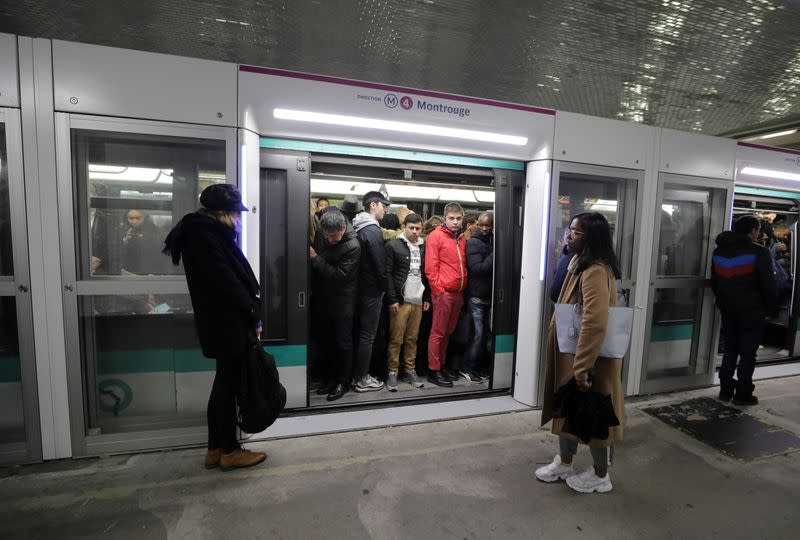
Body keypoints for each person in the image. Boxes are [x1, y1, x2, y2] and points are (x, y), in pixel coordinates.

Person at [162, 184, 266, 471]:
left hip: (220, 323)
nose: (239, 220)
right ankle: (230, 451)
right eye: (235, 214)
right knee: (227, 388)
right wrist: (253, 315)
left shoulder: (202, 233)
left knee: (223, 385)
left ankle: (215, 448)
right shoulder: (206, 237)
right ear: (221, 213)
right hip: (227, 324)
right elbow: (229, 284)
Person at [536, 212, 625, 494]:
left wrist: (583, 367)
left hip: (588, 360)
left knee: (595, 417)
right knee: (568, 411)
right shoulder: (578, 262)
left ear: (591, 237)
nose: (568, 235)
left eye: (575, 232)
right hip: (572, 356)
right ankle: (565, 461)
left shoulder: (596, 270)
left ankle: (601, 475)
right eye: (569, 230)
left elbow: (595, 320)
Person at [711, 214, 777, 406]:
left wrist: (723, 303)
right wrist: (770, 309)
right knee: (748, 353)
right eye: (758, 230)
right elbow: (768, 284)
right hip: (752, 311)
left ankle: (725, 389)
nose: (758, 234)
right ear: (753, 231)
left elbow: (715, 282)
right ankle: (743, 394)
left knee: (730, 349)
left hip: (728, 310)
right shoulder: (759, 252)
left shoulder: (719, 252)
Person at [310, 209, 362, 401]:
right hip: (323, 298)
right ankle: (330, 379)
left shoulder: (354, 245)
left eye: (335, 235)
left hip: (343, 301)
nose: (331, 240)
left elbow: (339, 276)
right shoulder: (321, 234)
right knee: (327, 342)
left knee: (343, 343)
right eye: (327, 236)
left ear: (343, 228)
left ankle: (343, 382)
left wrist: (315, 258)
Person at [384, 213, 430, 391]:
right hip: (401, 301)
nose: (415, 231)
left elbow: (426, 273)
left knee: (412, 339)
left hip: (417, 299)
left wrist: (426, 297)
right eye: (411, 228)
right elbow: (387, 274)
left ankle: (409, 370)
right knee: (396, 339)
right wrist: (392, 299)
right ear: (404, 226)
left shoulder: (424, 247)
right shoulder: (393, 245)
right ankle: (392, 372)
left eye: (418, 228)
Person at [425, 202, 468, 387]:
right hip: (443, 293)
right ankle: (433, 370)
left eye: (458, 218)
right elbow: (430, 268)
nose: (455, 222)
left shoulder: (461, 239)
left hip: (458, 293)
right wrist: (438, 291)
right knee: (438, 332)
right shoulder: (435, 236)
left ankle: (441, 366)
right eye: (452, 218)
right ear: (445, 218)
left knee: (448, 333)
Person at [352, 191, 391, 392]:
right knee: (368, 336)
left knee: (361, 334)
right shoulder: (373, 231)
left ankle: (358, 374)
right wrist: (387, 291)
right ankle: (362, 378)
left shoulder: (358, 226)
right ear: (373, 205)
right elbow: (380, 266)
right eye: (384, 206)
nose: (386, 210)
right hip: (371, 291)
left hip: (359, 288)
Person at [462, 211, 494, 382]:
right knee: (477, 335)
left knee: (484, 336)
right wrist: (494, 254)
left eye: (488, 226)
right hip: (476, 295)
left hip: (488, 295)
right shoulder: (473, 243)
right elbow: (478, 269)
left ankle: (477, 366)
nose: (483, 228)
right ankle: (467, 367)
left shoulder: (491, 240)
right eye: (481, 225)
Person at [120, 209, 166, 275]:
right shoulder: (121, 230)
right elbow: (115, 253)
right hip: (128, 272)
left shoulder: (155, 230)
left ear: (144, 217)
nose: (135, 221)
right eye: (131, 218)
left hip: (149, 272)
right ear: (126, 219)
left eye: (138, 218)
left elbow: (161, 252)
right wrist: (125, 240)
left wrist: (155, 272)